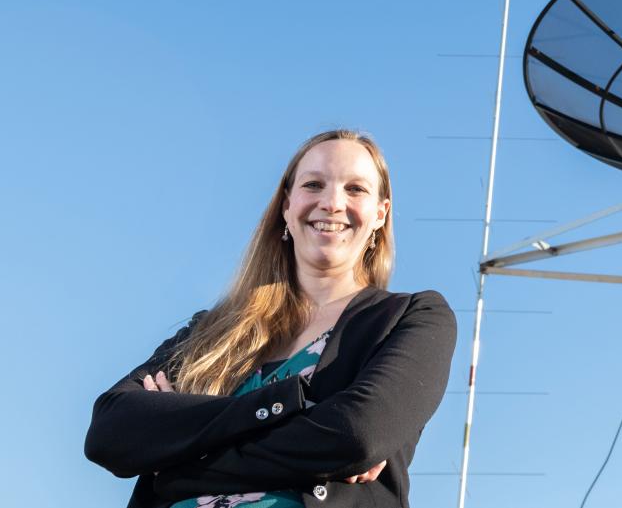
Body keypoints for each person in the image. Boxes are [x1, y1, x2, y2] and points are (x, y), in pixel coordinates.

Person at [85, 129, 457, 508]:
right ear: (286, 207)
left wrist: (177, 457)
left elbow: (356, 435)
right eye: (314, 184)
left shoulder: (413, 317)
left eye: (355, 189)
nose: (331, 202)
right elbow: (109, 430)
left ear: (380, 214)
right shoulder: (212, 330)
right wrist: (290, 410)